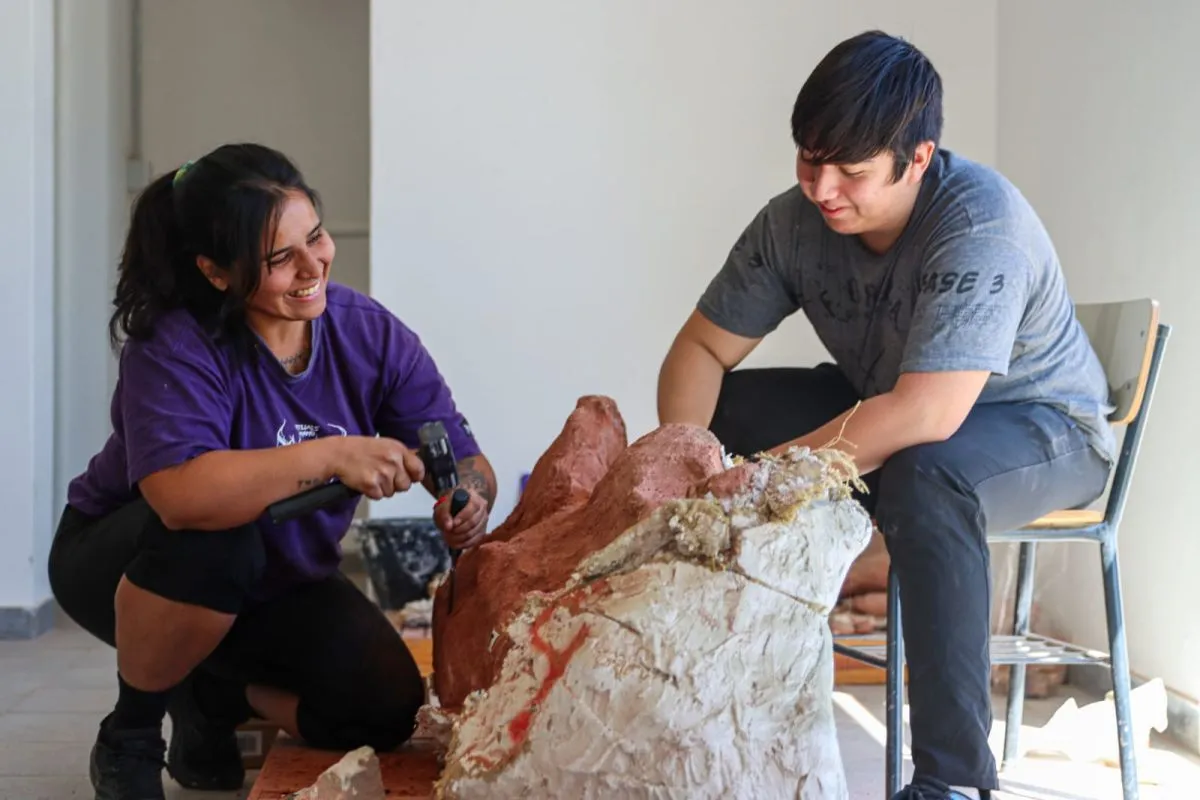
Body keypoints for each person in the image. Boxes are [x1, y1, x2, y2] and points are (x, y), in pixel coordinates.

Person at [657, 31, 1115, 800]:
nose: (823, 187)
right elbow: (700, 350)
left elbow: (928, 413)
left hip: (1039, 428)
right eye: (809, 158)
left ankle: (954, 781)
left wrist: (764, 478)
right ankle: (726, 701)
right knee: (728, 411)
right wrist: (682, 461)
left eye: (852, 171)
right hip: (897, 409)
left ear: (920, 157)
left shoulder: (979, 222)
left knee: (926, 476)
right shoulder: (792, 223)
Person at [48, 143, 497, 800]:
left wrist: (470, 497)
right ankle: (132, 737)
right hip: (126, 560)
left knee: (384, 707)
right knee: (219, 535)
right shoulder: (175, 342)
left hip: (279, 577)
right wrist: (332, 455)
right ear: (217, 271)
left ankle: (211, 695)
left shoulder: (368, 333)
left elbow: (461, 455)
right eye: (280, 258)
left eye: (315, 236)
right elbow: (181, 499)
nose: (313, 265)